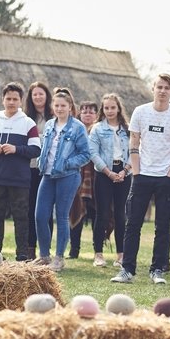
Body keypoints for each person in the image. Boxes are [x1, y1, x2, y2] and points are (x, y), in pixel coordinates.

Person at [111, 74, 170, 285]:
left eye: (167, 88)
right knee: (133, 223)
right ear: (153, 88)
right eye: (159, 87)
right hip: (142, 175)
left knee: (163, 225)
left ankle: (157, 270)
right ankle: (127, 269)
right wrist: (136, 172)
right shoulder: (141, 111)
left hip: (166, 177)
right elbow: (134, 142)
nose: (163, 91)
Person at [34, 90, 91, 271]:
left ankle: (59, 257)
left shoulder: (78, 127)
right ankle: (44, 256)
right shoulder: (50, 125)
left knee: (61, 216)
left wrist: (68, 163)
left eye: (63, 106)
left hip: (68, 176)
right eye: (56, 105)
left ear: (70, 107)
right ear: (53, 107)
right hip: (47, 175)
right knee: (40, 215)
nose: (59, 108)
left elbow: (86, 154)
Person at [0, 82, 40, 261]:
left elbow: (36, 150)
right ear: (2, 100)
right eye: (8, 98)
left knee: (21, 218)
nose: (11, 102)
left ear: (21, 101)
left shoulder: (28, 123)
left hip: (19, 180)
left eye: (15, 99)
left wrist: (16, 149)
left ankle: (22, 255)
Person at [89, 93, 131, 268]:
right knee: (103, 214)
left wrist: (125, 170)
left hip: (124, 172)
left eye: (113, 107)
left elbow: (136, 150)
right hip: (104, 173)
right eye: (106, 108)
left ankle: (121, 254)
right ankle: (98, 254)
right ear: (102, 109)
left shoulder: (127, 129)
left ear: (118, 108)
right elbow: (93, 153)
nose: (110, 111)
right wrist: (108, 172)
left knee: (121, 215)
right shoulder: (97, 129)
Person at [24, 81, 52, 257]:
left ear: (46, 96)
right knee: (30, 209)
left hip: (47, 170)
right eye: (34, 94)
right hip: (29, 168)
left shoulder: (53, 117)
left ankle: (45, 250)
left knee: (46, 211)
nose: (38, 97)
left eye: (41, 93)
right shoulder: (27, 118)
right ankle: (29, 248)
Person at [68, 100, 98, 259]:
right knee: (75, 211)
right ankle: (74, 250)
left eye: (91, 111)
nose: (87, 114)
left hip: (96, 177)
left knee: (96, 214)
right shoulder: (75, 130)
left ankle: (97, 251)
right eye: (84, 111)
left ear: (96, 114)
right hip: (77, 176)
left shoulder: (100, 130)